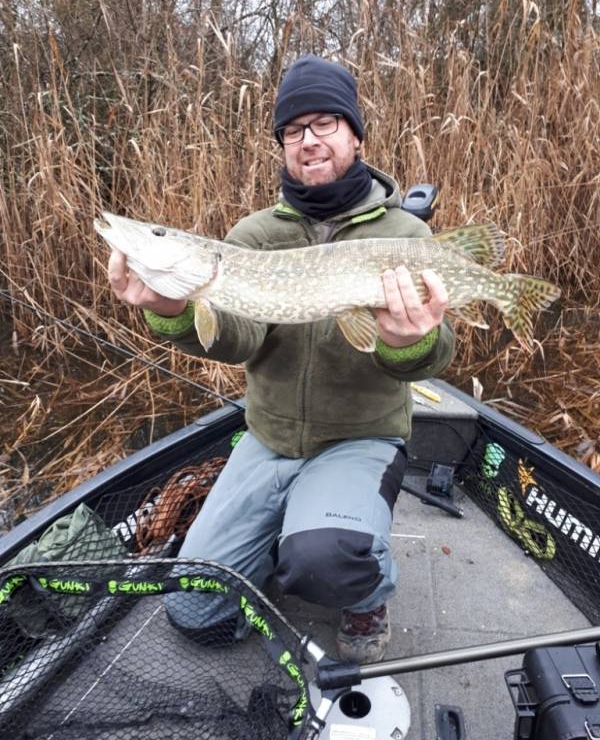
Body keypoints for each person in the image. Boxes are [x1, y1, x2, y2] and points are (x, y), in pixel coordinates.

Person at [107, 55, 455, 663]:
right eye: (294, 131)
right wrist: (172, 310)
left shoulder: (404, 235)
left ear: (354, 135)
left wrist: (407, 342)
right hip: (267, 439)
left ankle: (363, 597)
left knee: (326, 557)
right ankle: (273, 539)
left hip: (360, 438)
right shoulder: (252, 236)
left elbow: (437, 351)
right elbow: (237, 337)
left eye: (325, 124)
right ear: (283, 147)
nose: (309, 141)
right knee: (195, 609)